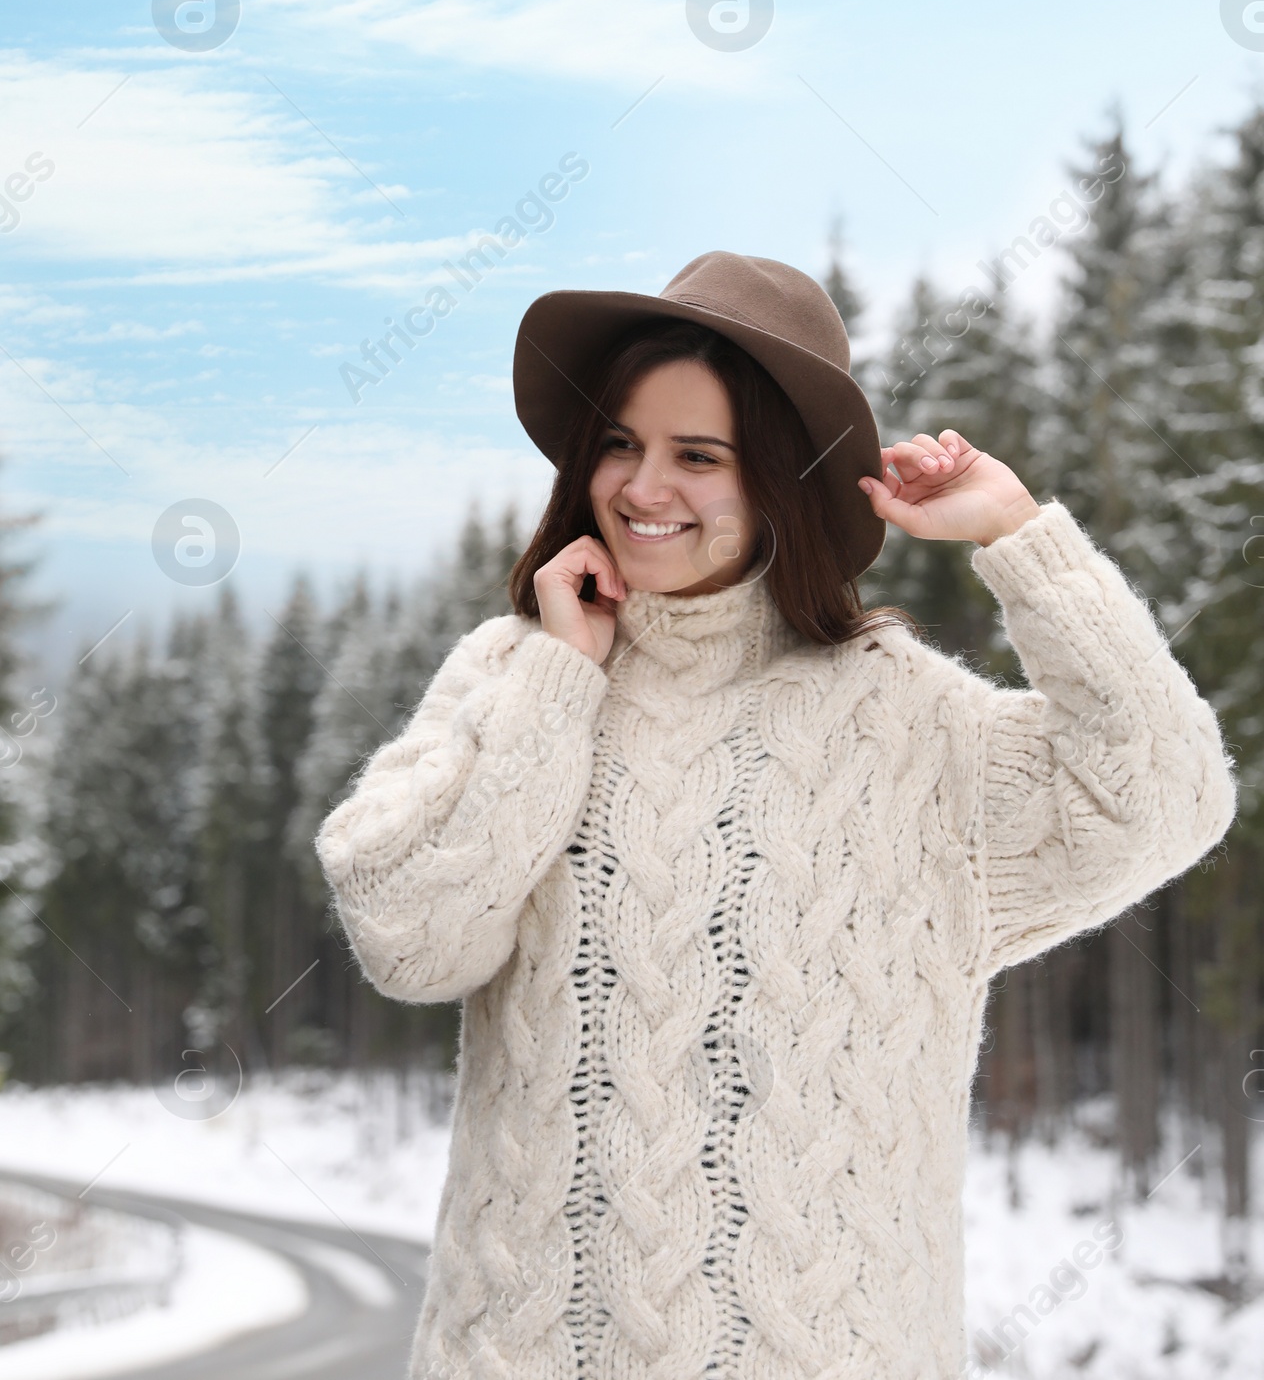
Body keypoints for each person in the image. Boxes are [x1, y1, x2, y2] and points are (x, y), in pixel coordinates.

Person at [316, 252, 1236, 1380]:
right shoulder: (516, 673)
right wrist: (560, 678)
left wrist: (1018, 537)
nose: (642, 486)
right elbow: (409, 936)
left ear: (782, 482)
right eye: (619, 441)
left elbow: (1165, 790)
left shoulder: (904, 719)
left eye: (698, 455)